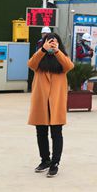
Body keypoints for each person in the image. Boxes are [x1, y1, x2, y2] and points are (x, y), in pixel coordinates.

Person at [27, 33, 74, 178]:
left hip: (56, 102)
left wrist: (57, 51)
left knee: (56, 133)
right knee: (41, 132)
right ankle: (45, 160)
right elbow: (31, 64)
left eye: (54, 42)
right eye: (49, 42)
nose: (51, 44)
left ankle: (55, 163)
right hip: (41, 101)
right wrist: (43, 50)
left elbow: (69, 66)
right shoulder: (39, 58)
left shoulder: (62, 58)